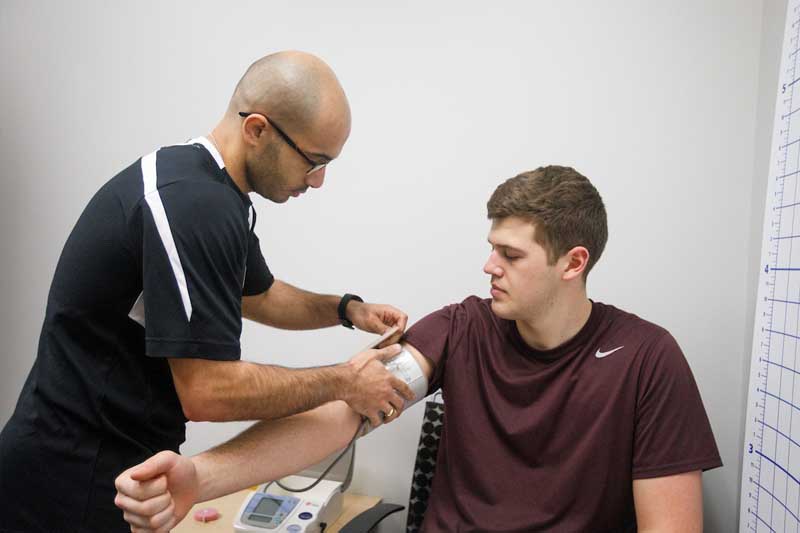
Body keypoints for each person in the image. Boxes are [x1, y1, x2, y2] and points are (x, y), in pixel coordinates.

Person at [114, 166, 722, 532]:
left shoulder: (647, 360)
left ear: (574, 262)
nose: (489, 266)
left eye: (511, 256)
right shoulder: (460, 329)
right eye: (491, 247)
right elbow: (341, 416)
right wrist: (199, 477)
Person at [0, 51, 415, 533]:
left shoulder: (210, 189)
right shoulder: (193, 205)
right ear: (257, 129)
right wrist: (345, 381)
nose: (318, 181)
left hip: (115, 465)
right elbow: (207, 392)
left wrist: (346, 310)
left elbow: (257, 294)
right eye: (314, 161)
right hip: (72, 475)